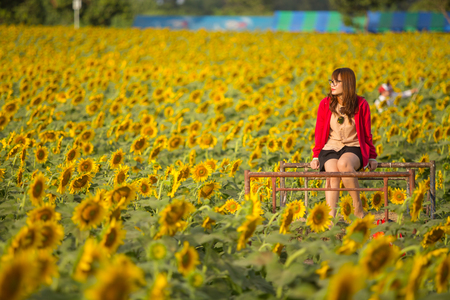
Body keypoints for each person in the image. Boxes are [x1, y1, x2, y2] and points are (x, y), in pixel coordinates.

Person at [310, 68, 378, 222]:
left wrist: (372, 157)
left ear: (347, 83)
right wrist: (315, 155)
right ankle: (329, 220)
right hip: (330, 147)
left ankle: (357, 206)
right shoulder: (325, 103)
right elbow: (319, 130)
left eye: (337, 82)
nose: (332, 85)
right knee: (333, 174)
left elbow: (367, 133)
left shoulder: (361, 104)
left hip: (353, 147)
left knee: (344, 164)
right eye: (331, 81)